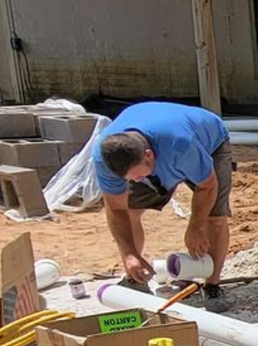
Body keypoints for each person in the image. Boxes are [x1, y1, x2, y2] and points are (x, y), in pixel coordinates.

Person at [95, 101, 234, 300]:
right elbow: (117, 210)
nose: (134, 182)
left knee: (215, 218)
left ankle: (212, 285)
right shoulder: (105, 158)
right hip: (158, 154)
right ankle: (135, 279)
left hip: (209, 142)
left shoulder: (181, 144)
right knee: (131, 211)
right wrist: (129, 254)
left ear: (149, 156)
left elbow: (207, 186)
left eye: (137, 176)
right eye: (130, 179)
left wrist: (196, 226)